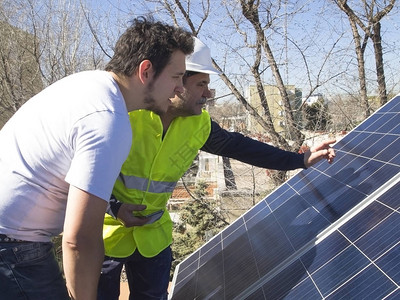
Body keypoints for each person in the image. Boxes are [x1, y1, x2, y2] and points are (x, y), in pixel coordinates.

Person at [97, 38, 336, 300]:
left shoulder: (199, 125)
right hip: (103, 235)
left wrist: (298, 160)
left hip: (153, 237)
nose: (208, 94)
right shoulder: (128, 115)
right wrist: (114, 207)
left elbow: (240, 147)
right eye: (201, 84)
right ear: (175, 83)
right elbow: (83, 172)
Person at [0, 17, 194, 300]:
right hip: (13, 248)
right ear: (146, 70)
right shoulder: (108, 120)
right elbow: (80, 239)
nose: (180, 89)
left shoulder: (87, 84)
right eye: (176, 77)